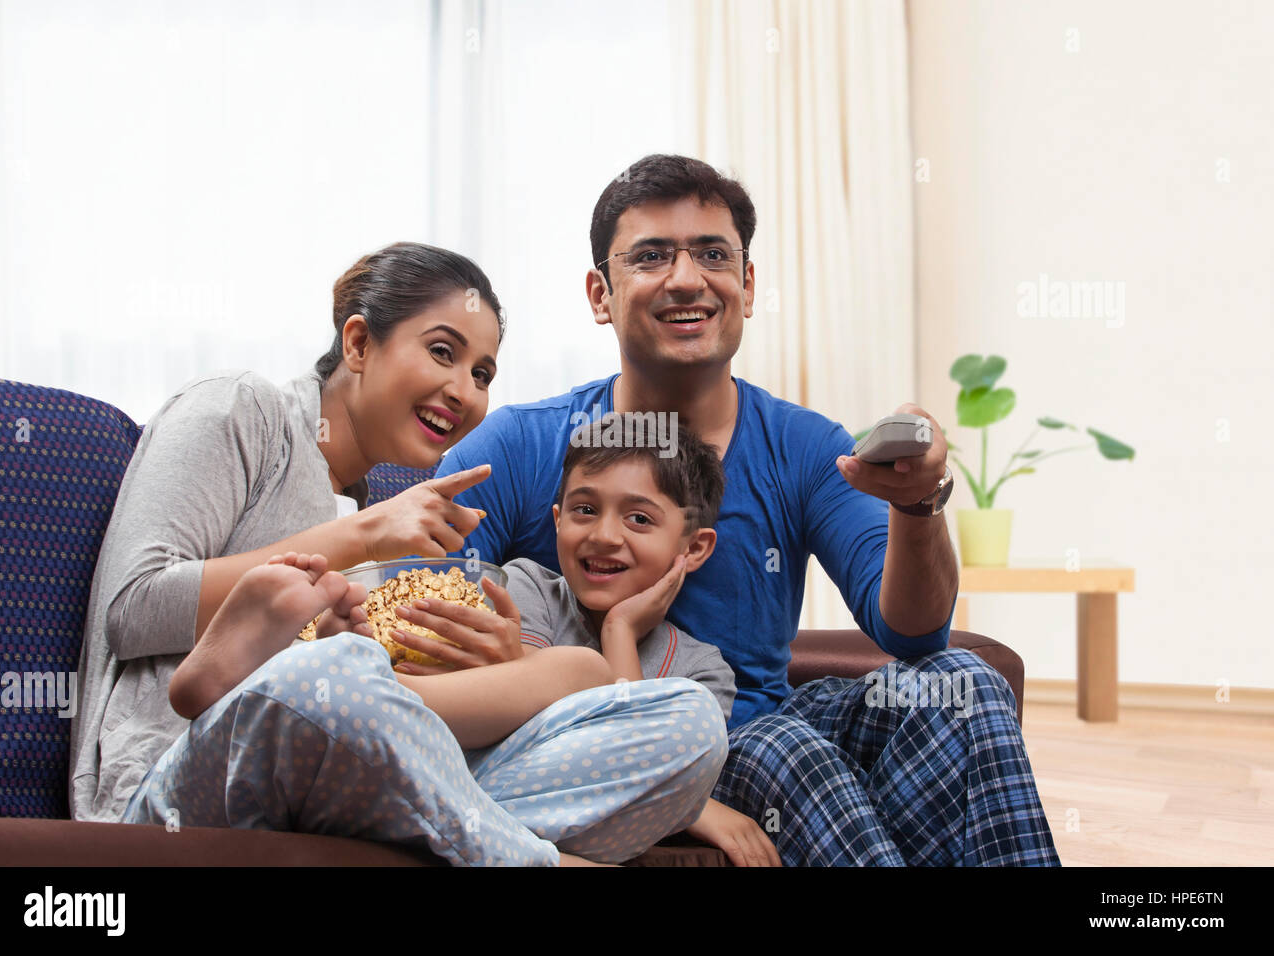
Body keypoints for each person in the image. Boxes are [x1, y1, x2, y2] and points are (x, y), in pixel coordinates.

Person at [432, 154, 1062, 866]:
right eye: (651, 256)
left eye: (712, 254)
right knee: (786, 748)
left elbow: (913, 634)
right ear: (600, 294)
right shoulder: (519, 445)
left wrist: (918, 505)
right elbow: (410, 612)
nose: (687, 277)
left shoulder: (805, 445)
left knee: (962, 683)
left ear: (748, 285)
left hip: (770, 717)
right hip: (649, 745)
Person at [69, 241, 727, 865]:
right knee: (334, 672)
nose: (465, 391)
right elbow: (133, 607)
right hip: (189, 778)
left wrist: (501, 672)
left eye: (482, 374)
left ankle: (468, 836)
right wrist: (364, 537)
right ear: (359, 343)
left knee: (664, 711)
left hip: (351, 790)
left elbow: (402, 703)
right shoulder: (242, 411)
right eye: (443, 352)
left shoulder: (387, 505)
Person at [154, 414, 778, 866]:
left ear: (693, 547)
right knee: (573, 674)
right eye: (585, 511)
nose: (604, 536)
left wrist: (618, 633)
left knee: (690, 723)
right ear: (557, 519)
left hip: (417, 780)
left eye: (639, 519)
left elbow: (642, 765)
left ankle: (330, 687)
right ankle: (324, 683)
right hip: (423, 747)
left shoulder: (701, 671)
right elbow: (471, 707)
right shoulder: (525, 586)